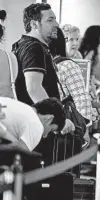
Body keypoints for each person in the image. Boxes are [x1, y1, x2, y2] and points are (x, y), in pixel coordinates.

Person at [12, 3, 74, 133]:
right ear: (34, 24)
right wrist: (57, 119)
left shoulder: (23, 45)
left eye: (55, 19)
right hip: (39, 125)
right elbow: (34, 87)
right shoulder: (34, 47)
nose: (56, 24)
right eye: (50, 20)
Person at [0, 97, 66, 151]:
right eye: (51, 129)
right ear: (49, 118)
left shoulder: (14, 103)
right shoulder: (36, 125)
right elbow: (18, 156)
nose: (45, 135)